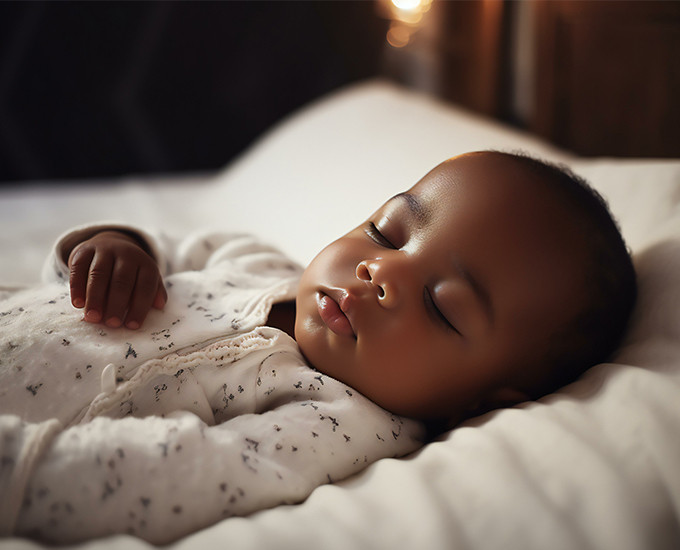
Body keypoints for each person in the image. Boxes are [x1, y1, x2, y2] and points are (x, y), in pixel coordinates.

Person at [0, 151, 637, 544]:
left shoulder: (343, 426)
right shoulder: (257, 262)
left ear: (481, 403)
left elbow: (171, 471)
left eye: (442, 306)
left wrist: (21, 466)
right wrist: (117, 248)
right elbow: (166, 247)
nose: (378, 272)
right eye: (387, 233)